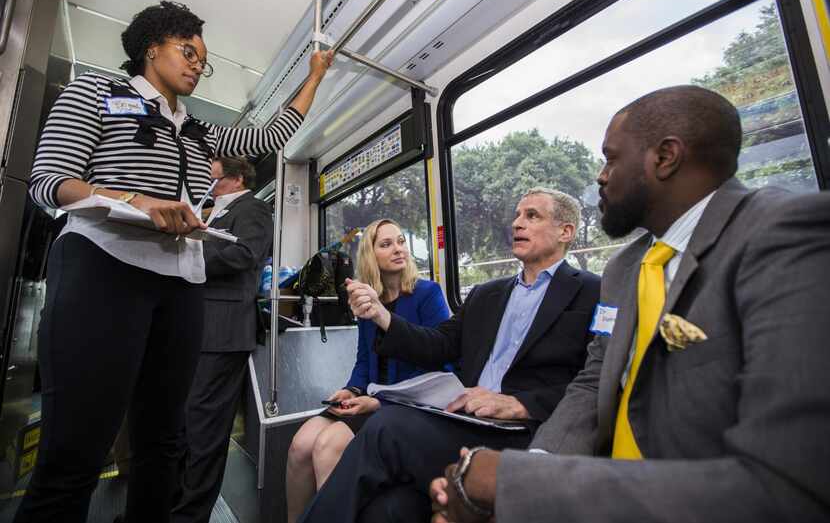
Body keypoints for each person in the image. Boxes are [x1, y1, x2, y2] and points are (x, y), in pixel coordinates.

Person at [428, 85, 830, 523]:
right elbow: (593, 381)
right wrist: (534, 466)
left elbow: (788, 487)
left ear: (665, 157)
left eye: (612, 158)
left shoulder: (785, 233)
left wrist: (514, 485)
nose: (601, 176)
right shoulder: (624, 269)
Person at [16, 1, 332, 523]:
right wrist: (132, 200)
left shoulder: (198, 130)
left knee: (165, 444)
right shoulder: (96, 92)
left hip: (180, 285)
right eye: (187, 52)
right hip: (104, 267)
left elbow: (267, 139)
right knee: (77, 449)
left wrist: (314, 76)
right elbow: (49, 181)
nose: (195, 67)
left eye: (201, 61)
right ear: (151, 47)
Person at [299, 188, 601, 523]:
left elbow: (597, 377)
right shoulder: (488, 294)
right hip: (467, 420)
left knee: (387, 426)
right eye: (516, 215)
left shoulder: (592, 291)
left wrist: (524, 403)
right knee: (387, 510)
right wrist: (381, 316)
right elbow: (439, 345)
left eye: (532, 216)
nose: (517, 223)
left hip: (525, 430)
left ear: (566, 231)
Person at [285, 218, 451, 523]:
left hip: (409, 403)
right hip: (371, 397)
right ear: (370, 256)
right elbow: (364, 363)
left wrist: (378, 401)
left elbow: (442, 364)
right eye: (386, 244)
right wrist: (352, 390)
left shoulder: (428, 294)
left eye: (401, 241)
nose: (399, 249)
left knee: (327, 445)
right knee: (301, 444)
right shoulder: (366, 301)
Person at [170, 157, 274, 522]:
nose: (207, 185)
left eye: (212, 178)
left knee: (205, 432)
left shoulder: (254, 209)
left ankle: (189, 516)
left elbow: (247, 253)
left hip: (224, 330)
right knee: (182, 425)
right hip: (197, 328)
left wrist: (189, 255)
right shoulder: (214, 213)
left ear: (236, 178)